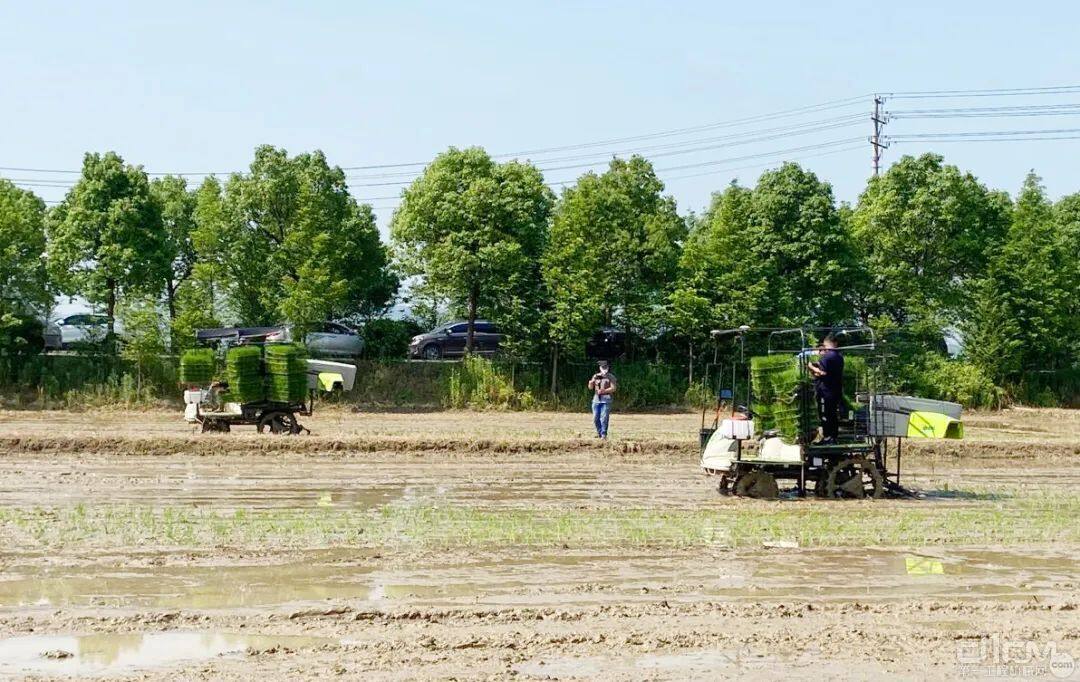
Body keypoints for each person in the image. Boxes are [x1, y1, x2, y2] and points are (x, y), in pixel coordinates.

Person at [807, 334, 844, 445]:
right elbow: (826, 368)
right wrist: (817, 365)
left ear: (826, 343)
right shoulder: (838, 356)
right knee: (832, 414)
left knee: (825, 415)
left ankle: (828, 438)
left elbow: (822, 372)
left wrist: (810, 366)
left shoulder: (827, 357)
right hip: (835, 390)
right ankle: (833, 437)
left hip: (826, 391)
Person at [587, 361, 617, 439]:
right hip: (596, 400)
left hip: (606, 400)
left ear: (608, 368)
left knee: (604, 418)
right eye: (603, 368)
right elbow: (590, 388)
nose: (604, 369)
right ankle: (599, 433)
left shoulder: (611, 377)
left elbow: (613, 388)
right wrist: (590, 383)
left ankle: (604, 434)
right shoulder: (595, 376)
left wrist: (604, 391)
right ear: (600, 368)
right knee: (595, 418)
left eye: (606, 368)